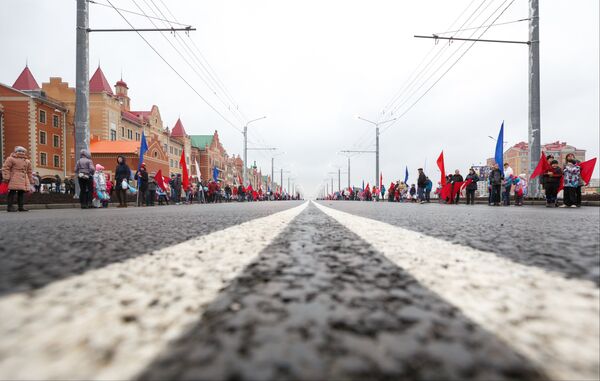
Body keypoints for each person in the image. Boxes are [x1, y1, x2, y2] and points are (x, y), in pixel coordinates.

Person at [2, 146, 34, 212]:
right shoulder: (10, 159)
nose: (21, 152)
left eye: (22, 151)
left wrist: (31, 180)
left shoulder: (27, 161)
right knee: (12, 192)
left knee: (21, 193)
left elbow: (29, 171)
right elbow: (5, 168)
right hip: (14, 177)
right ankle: (10, 207)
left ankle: (21, 207)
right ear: (15, 151)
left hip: (24, 179)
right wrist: (6, 177)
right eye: (19, 151)